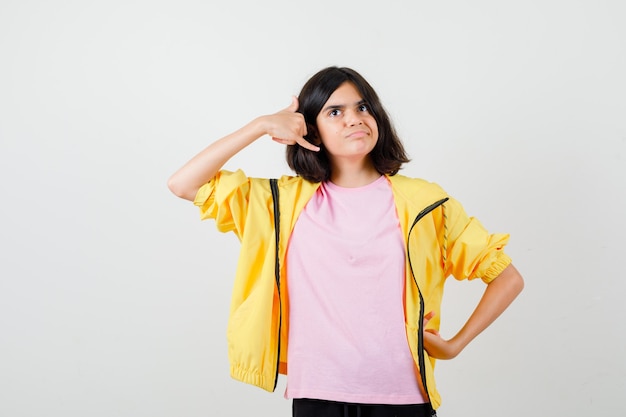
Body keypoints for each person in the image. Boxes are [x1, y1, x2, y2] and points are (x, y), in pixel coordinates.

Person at [168, 66, 524, 417]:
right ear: (312, 130)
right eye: (335, 111)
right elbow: (184, 184)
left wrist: (454, 346)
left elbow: (507, 278)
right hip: (316, 395)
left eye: (362, 107)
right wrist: (260, 126)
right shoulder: (279, 204)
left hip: (403, 398)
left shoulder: (425, 202)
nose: (354, 119)